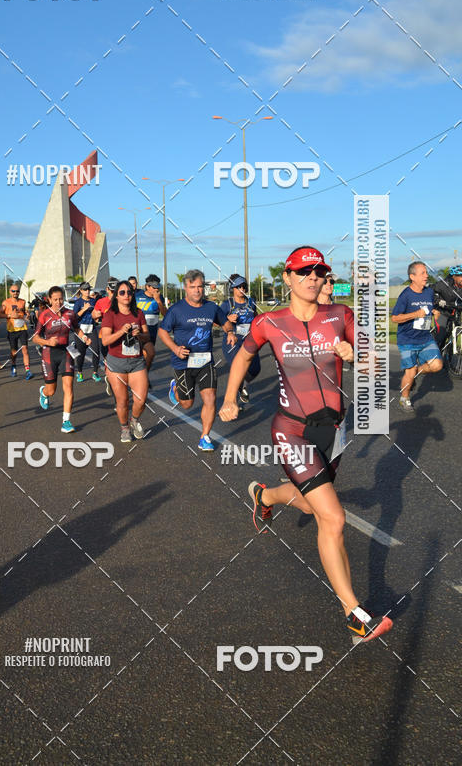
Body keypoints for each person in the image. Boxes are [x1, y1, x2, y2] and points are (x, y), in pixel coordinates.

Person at [219, 246, 393, 644]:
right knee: (333, 518)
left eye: (319, 273)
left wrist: (356, 355)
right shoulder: (269, 322)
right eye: (303, 272)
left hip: (333, 432)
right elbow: (242, 358)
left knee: (312, 503)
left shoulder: (340, 316)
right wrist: (230, 398)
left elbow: (374, 362)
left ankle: (265, 496)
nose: (313, 279)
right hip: (291, 430)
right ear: (287, 277)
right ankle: (354, 615)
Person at [158, 269, 237, 451]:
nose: (197, 290)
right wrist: (175, 349)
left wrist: (230, 332)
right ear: (185, 288)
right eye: (193, 287)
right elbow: (163, 332)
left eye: (200, 286)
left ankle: (205, 437)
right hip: (183, 362)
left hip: (205, 361)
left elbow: (226, 323)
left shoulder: (211, 308)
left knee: (210, 398)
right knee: (187, 404)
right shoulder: (176, 310)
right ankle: (175, 387)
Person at [34, 285, 92, 433]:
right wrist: (47, 342)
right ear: (49, 300)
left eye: (61, 299)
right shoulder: (44, 315)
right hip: (49, 354)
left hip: (66, 352)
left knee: (68, 387)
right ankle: (44, 393)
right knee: (51, 390)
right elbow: (35, 338)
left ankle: (66, 421)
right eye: (55, 299)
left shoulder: (70, 313)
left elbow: (76, 328)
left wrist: (84, 337)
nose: (58, 302)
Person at [101, 280, 150, 442]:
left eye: (129, 292)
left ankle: (134, 420)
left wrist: (139, 335)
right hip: (116, 364)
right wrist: (121, 331)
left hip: (136, 362)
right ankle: (124, 428)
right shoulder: (110, 314)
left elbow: (147, 337)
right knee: (122, 401)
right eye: (122, 292)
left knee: (141, 399)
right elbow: (105, 341)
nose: (126, 295)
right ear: (116, 296)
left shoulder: (138, 313)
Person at [391, 261, 442, 412]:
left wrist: (434, 312)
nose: (426, 276)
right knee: (410, 371)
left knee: (437, 365)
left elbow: (428, 308)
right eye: (422, 273)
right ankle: (404, 398)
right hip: (407, 340)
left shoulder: (429, 292)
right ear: (412, 277)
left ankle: (413, 373)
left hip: (425, 338)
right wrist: (415, 314)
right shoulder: (405, 295)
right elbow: (395, 318)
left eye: (426, 273)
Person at [219, 275, 259, 403]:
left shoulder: (251, 302)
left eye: (243, 286)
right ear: (233, 288)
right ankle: (232, 401)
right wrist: (227, 319)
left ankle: (241, 385)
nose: (242, 289)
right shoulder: (227, 304)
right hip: (233, 341)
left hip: (250, 340)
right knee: (238, 366)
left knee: (255, 369)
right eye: (238, 287)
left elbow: (256, 317)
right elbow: (215, 321)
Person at [0, 284, 33, 379]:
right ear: (10, 292)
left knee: (25, 349)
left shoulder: (22, 301)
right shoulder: (6, 302)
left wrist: (27, 315)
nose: (15, 293)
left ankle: (28, 371)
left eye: (17, 291)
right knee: (14, 351)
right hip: (12, 330)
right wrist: (9, 315)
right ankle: (13, 365)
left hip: (22, 329)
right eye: (13, 291)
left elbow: (24, 312)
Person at [134, 273, 166, 373]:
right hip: (138, 331)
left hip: (152, 331)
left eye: (158, 287)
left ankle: (144, 374)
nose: (156, 290)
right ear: (147, 286)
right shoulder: (137, 296)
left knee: (150, 354)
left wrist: (158, 301)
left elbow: (165, 314)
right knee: (142, 354)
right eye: (154, 287)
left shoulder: (160, 297)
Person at [92, 278, 118, 396]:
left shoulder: (122, 301)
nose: (113, 294)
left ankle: (114, 380)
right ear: (107, 290)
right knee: (108, 360)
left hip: (119, 336)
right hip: (105, 336)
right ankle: (110, 379)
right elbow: (94, 315)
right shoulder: (101, 302)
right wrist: (95, 315)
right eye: (112, 291)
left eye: (116, 291)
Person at [72, 282, 102, 383]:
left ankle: (95, 373)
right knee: (81, 353)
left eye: (88, 289)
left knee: (96, 351)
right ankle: (80, 372)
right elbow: (74, 317)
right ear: (81, 291)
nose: (87, 291)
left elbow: (96, 314)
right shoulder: (78, 302)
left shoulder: (93, 301)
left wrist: (97, 317)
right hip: (80, 330)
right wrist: (84, 309)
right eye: (85, 289)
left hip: (91, 328)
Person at [433, 265, 462, 353]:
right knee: (441, 336)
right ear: (454, 276)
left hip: (456, 314)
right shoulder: (443, 284)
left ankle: (450, 357)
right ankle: (434, 355)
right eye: (461, 276)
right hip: (442, 313)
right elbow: (430, 291)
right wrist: (437, 300)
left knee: (454, 336)